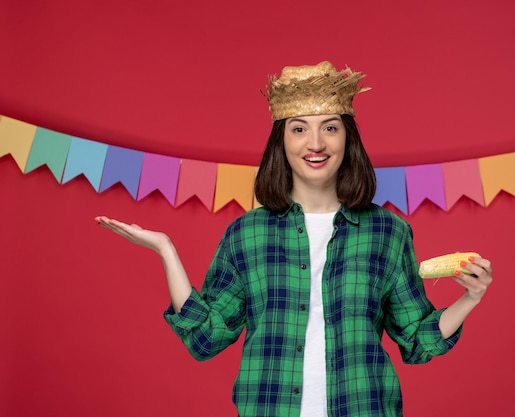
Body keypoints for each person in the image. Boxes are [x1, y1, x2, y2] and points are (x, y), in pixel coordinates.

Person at [95, 61, 493, 417]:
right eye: (299, 129)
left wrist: (469, 298)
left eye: (330, 128)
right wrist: (166, 249)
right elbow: (206, 338)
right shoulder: (247, 234)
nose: (315, 144)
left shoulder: (387, 232)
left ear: (346, 140)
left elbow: (416, 340)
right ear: (281, 143)